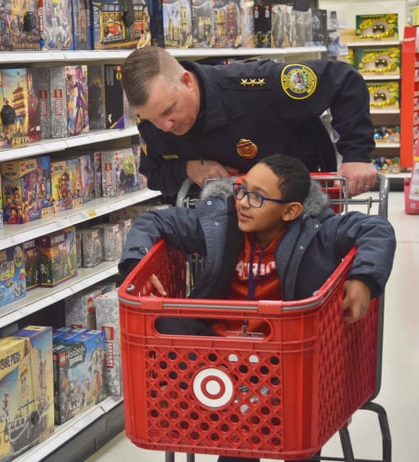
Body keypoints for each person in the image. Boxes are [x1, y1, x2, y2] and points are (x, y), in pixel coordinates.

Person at [118, 154, 395, 462]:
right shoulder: (219, 223)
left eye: (258, 198)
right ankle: (227, 425)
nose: (243, 203)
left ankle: (265, 436)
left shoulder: (318, 232)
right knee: (164, 320)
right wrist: (135, 265)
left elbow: (376, 230)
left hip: (284, 361)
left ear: (290, 211)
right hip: (217, 355)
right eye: (242, 190)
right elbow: (153, 221)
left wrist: (363, 280)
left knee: (299, 433)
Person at [121, 46, 378, 199]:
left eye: (169, 111)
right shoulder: (151, 119)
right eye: (154, 119)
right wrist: (188, 169)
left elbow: (344, 80)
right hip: (222, 226)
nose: (165, 126)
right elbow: (154, 174)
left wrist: (356, 155)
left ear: (187, 81)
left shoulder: (257, 85)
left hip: (300, 206)